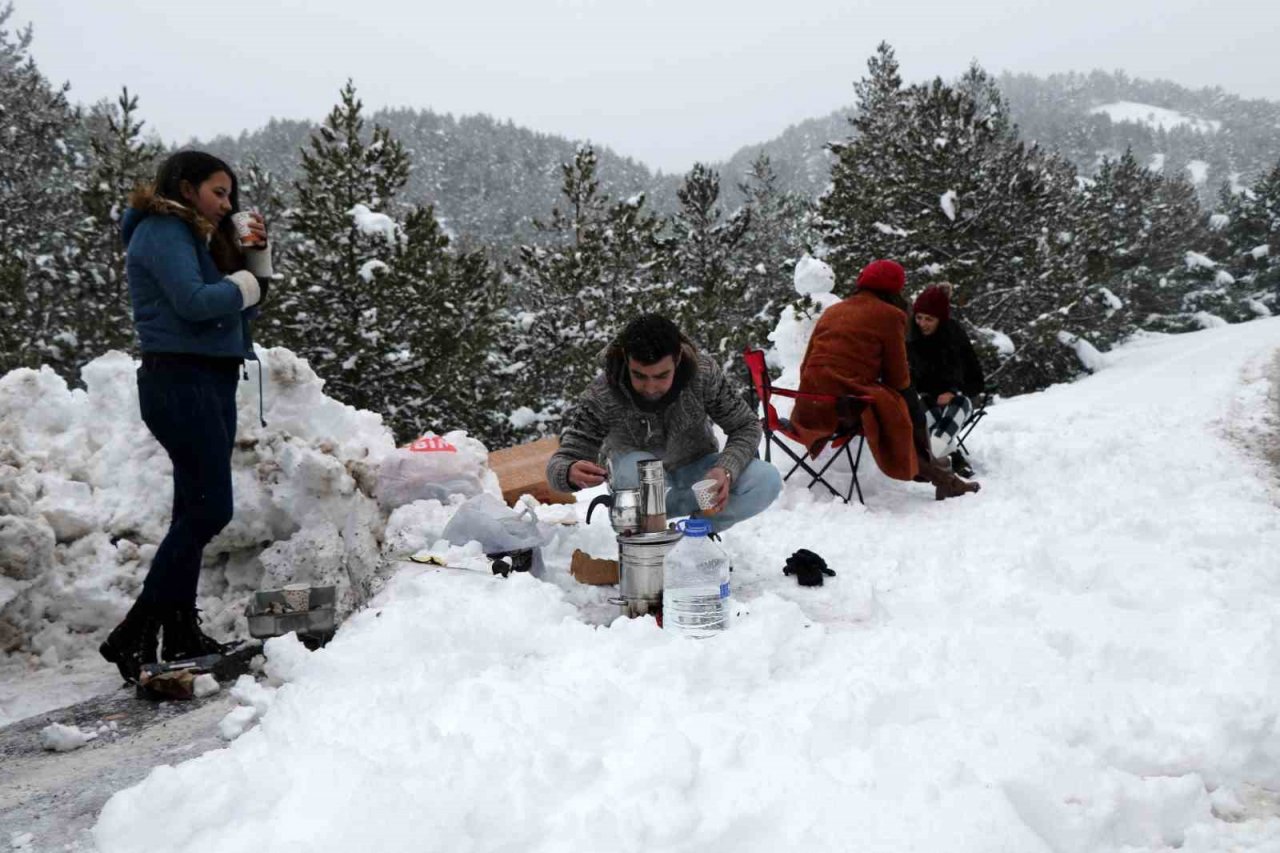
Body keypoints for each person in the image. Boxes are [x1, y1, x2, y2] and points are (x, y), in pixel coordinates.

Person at [99, 151, 273, 684]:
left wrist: (255, 259)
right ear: (185, 185)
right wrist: (243, 285)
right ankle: (135, 630)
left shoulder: (193, 236)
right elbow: (196, 303)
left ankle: (177, 629)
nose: (226, 204)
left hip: (208, 379)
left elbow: (242, 307)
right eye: (217, 192)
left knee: (191, 510)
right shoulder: (162, 230)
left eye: (230, 195)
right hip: (180, 380)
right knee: (210, 509)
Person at [546, 314, 782, 532]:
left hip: (697, 476)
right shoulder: (601, 394)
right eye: (639, 375)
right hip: (636, 489)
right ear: (626, 360)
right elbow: (561, 461)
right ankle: (647, 544)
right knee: (638, 466)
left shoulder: (703, 374)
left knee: (767, 479)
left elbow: (746, 426)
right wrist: (569, 472)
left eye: (661, 376)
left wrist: (725, 469)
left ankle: (697, 534)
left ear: (678, 359)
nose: (650, 388)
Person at [789, 259, 979, 501]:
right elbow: (898, 377)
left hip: (810, 405)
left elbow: (806, 365)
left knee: (899, 408)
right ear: (894, 289)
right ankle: (941, 476)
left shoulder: (833, 311)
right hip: (844, 406)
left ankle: (942, 475)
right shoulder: (890, 315)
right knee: (905, 409)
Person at [907, 283, 986, 478]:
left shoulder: (954, 336)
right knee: (923, 416)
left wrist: (954, 392)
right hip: (927, 401)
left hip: (960, 399)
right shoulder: (910, 339)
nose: (922, 323)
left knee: (938, 435)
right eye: (919, 318)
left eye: (929, 319)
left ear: (940, 320)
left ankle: (940, 463)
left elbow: (976, 379)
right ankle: (953, 458)